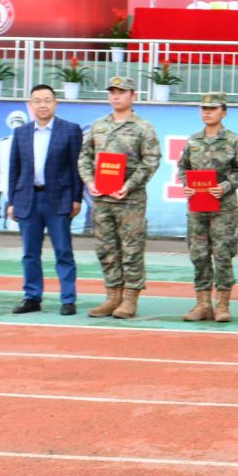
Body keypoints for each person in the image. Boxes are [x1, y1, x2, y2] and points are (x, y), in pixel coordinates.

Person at [78, 76, 161, 320]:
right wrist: (89, 181)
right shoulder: (98, 126)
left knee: (131, 249)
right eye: (112, 91)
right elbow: (84, 156)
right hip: (102, 199)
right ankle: (112, 296)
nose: (116, 96)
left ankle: (130, 298)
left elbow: (151, 160)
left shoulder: (143, 127)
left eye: (122, 92)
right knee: (106, 248)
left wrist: (129, 185)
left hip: (130, 200)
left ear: (133, 96)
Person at [7, 82, 83, 316]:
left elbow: (77, 167)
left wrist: (77, 198)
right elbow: (14, 169)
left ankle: (68, 299)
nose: (42, 105)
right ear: (30, 105)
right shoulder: (21, 133)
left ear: (55, 103)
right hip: (27, 200)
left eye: (47, 100)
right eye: (37, 101)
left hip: (59, 200)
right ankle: (32, 297)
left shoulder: (70, 130)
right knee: (30, 253)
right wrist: (11, 201)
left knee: (63, 251)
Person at [176, 92, 238, 323]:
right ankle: (202, 304)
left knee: (223, 253)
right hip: (197, 206)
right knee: (198, 254)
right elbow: (183, 168)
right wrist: (186, 185)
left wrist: (225, 186)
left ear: (223, 112)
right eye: (204, 109)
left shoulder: (233, 141)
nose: (207, 112)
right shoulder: (193, 141)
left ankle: (223, 305)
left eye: (213, 108)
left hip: (223, 207)